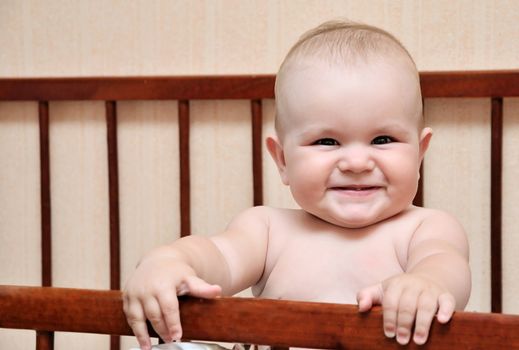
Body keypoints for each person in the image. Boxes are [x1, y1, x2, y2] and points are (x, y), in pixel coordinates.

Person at [123, 20, 471, 350]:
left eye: (382, 139)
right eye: (326, 142)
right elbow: (217, 258)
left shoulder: (424, 229)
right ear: (283, 160)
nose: (356, 163)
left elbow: (445, 265)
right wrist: (170, 261)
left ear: (420, 153)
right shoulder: (268, 230)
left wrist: (427, 285)